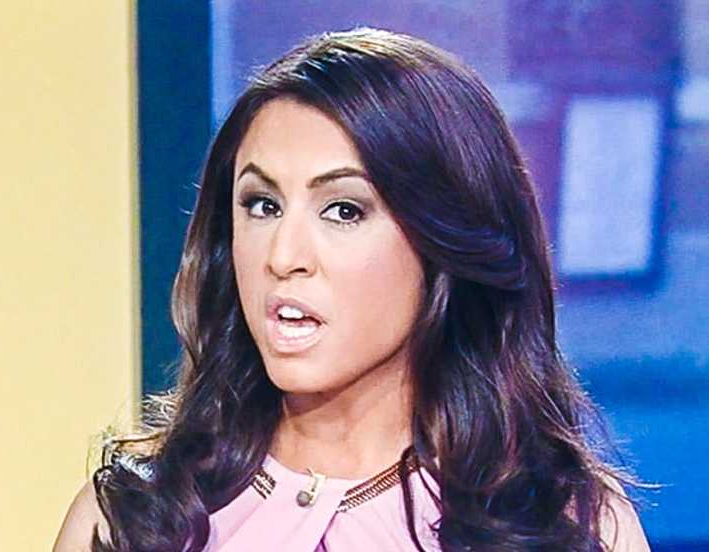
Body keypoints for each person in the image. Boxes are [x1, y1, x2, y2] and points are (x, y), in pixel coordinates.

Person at [53, 27, 651, 552]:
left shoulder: (563, 525)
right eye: (262, 205)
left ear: (443, 239)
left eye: (343, 210)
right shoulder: (136, 519)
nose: (283, 257)